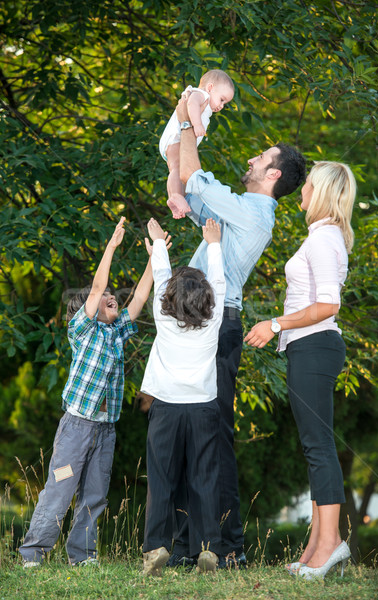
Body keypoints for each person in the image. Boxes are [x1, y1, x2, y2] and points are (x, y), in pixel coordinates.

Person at [166, 96, 307, 569]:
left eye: (260, 157)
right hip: (197, 321)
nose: (251, 158)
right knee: (189, 427)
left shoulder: (253, 214)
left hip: (219, 324)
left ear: (272, 175)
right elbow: (190, 181)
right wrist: (188, 125)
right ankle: (189, 546)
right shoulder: (239, 207)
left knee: (215, 433)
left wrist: (189, 117)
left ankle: (228, 546)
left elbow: (194, 177)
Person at [19, 217, 155, 568]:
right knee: (60, 489)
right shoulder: (83, 331)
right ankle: (33, 554)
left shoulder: (117, 333)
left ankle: (83, 556)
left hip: (105, 431)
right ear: (86, 311)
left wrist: (157, 258)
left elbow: (140, 295)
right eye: (106, 296)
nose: (112, 296)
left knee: (94, 495)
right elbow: (96, 288)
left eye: (112, 296)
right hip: (76, 429)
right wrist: (111, 246)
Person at [245, 161, 356, 580]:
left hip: (314, 346)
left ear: (321, 192)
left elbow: (329, 306)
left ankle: (329, 545)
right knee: (315, 447)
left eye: (307, 185)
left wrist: (275, 323)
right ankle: (315, 547)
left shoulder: (325, 238)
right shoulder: (321, 236)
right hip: (307, 349)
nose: (302, 191)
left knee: (319, 447)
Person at [141, 217, 226, 576]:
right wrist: (214, 243)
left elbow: (161, 275)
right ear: (206, 297)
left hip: (167, 409)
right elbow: (220, 282)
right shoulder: (215, 316)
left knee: (161, 478)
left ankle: (156, 549)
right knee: (203, 477)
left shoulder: (163, 318)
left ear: (169, 298)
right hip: (204, 407)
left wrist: (158, 242)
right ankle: (208, 549)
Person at [159, 69, 234, 219]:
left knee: (176, 169)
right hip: (175, 139)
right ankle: (175, 195)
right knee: (176, 167)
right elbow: (192, 104)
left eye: (225, 103)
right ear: (210, 88)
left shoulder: (206, 100)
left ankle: (175, 198)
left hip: (175, 141)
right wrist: (197, 124)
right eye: (222, 99)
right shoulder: (201, 95)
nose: (222, 106)